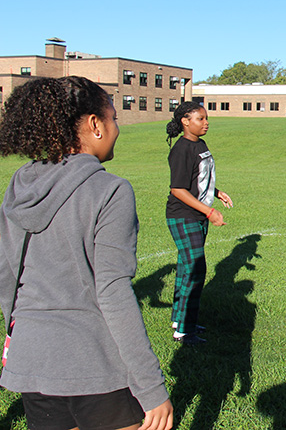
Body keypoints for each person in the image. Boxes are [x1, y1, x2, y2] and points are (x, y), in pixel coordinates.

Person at [0, 77, 173, 430]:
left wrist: (17, 335)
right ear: (95, 124)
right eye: (114, 118)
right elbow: (112, 292)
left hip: (31, 360)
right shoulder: (110, 190)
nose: (117, 127)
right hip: (95, 364)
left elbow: (7, 276)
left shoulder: (20, 184)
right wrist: (151, 387)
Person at [166, 102, 233, 345]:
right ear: (185, 121)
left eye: (206, 118)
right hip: (183, 215)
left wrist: (217, 192)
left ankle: (180, 320)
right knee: (195, 270)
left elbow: (198, 178)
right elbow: (178, 189)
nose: (206, 122)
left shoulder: (200, 144)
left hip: (196, 215)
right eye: (200, 118)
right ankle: (184, 331)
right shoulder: (182, 149)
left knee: (187, 268)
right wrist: (209, 211)